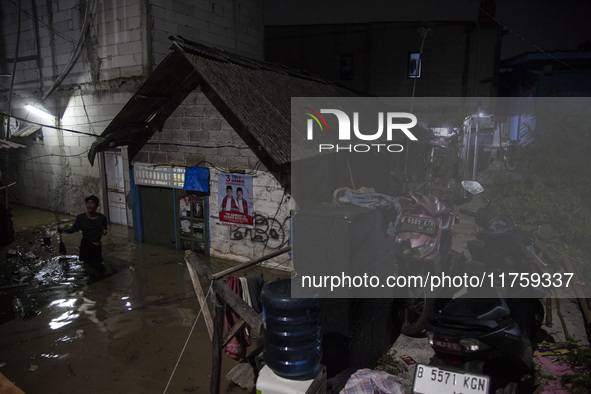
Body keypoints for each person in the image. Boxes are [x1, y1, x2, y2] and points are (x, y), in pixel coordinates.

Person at [62, 195, 109, 280]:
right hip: (85, 246)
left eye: (92, 203)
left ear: (97, 206)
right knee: (87, 269)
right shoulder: (81, 218)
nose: (89, 205)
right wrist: (64, 230)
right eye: (87, 203)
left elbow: (104, 230)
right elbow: (73, 229)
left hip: (97, 247)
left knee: (98, 269)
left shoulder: (102, 218)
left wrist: (104, 232)